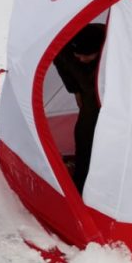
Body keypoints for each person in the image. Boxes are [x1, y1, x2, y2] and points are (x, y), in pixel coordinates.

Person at [53, 23, 106, 195]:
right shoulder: (66, 50)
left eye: (87, 56)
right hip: (89, 95)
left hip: (116, 97)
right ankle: (81, 183)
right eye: (78, 56)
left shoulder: (115, 46)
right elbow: (62, 64)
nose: (81, 59)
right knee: (85, 135)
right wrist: (75, 89)